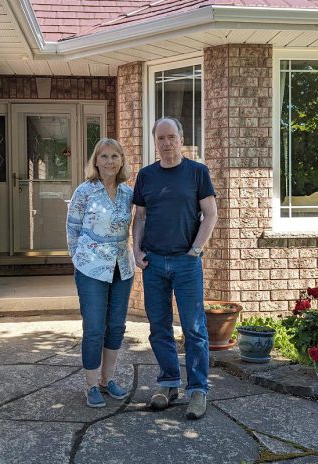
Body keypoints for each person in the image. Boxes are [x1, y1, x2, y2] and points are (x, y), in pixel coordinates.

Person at [132, 118, 218, 420]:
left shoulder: (197, 172)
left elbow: (210, 214)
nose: (166, 143)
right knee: (158, 326)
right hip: (154, 262)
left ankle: (198, 390)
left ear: (181, 139)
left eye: (172, 137)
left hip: (186, 262)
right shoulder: (146, 176)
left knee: (194, 328)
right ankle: (168, 383)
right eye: (161, 138)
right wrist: (136, 249)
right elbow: (140, 217)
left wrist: (195, 250)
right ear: (154, 141)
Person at [66, 138, 135, 408]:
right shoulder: (85, 191)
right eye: (104, 156)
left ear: (121, 161)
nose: (109, 161)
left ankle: (108, 380)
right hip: (91, 267)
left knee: (116, 326)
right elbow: (72, 229)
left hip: (122, 267)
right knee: (94, 328)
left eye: (115, 156)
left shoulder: (129, 193)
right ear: (96, 161)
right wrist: (79, 258)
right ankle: (91, 384)